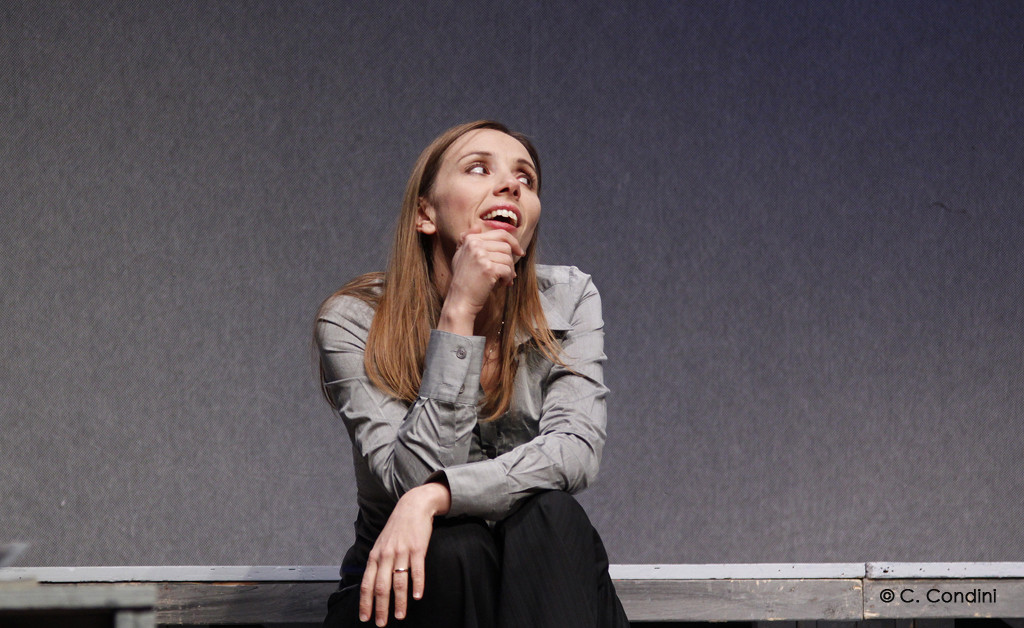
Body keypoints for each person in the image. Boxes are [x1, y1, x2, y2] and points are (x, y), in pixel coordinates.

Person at [316, 120, 629, 628]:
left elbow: (575, 450)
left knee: (553, 517)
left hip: (542, 593)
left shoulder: (569, 298)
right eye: (479, 169)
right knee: (454, 548)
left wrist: (439, 494)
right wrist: (459, 311)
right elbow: (410, 478)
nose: (510, 185)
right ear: (425, 213)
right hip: (411, 593)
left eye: (525, 179)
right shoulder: (355, 320)